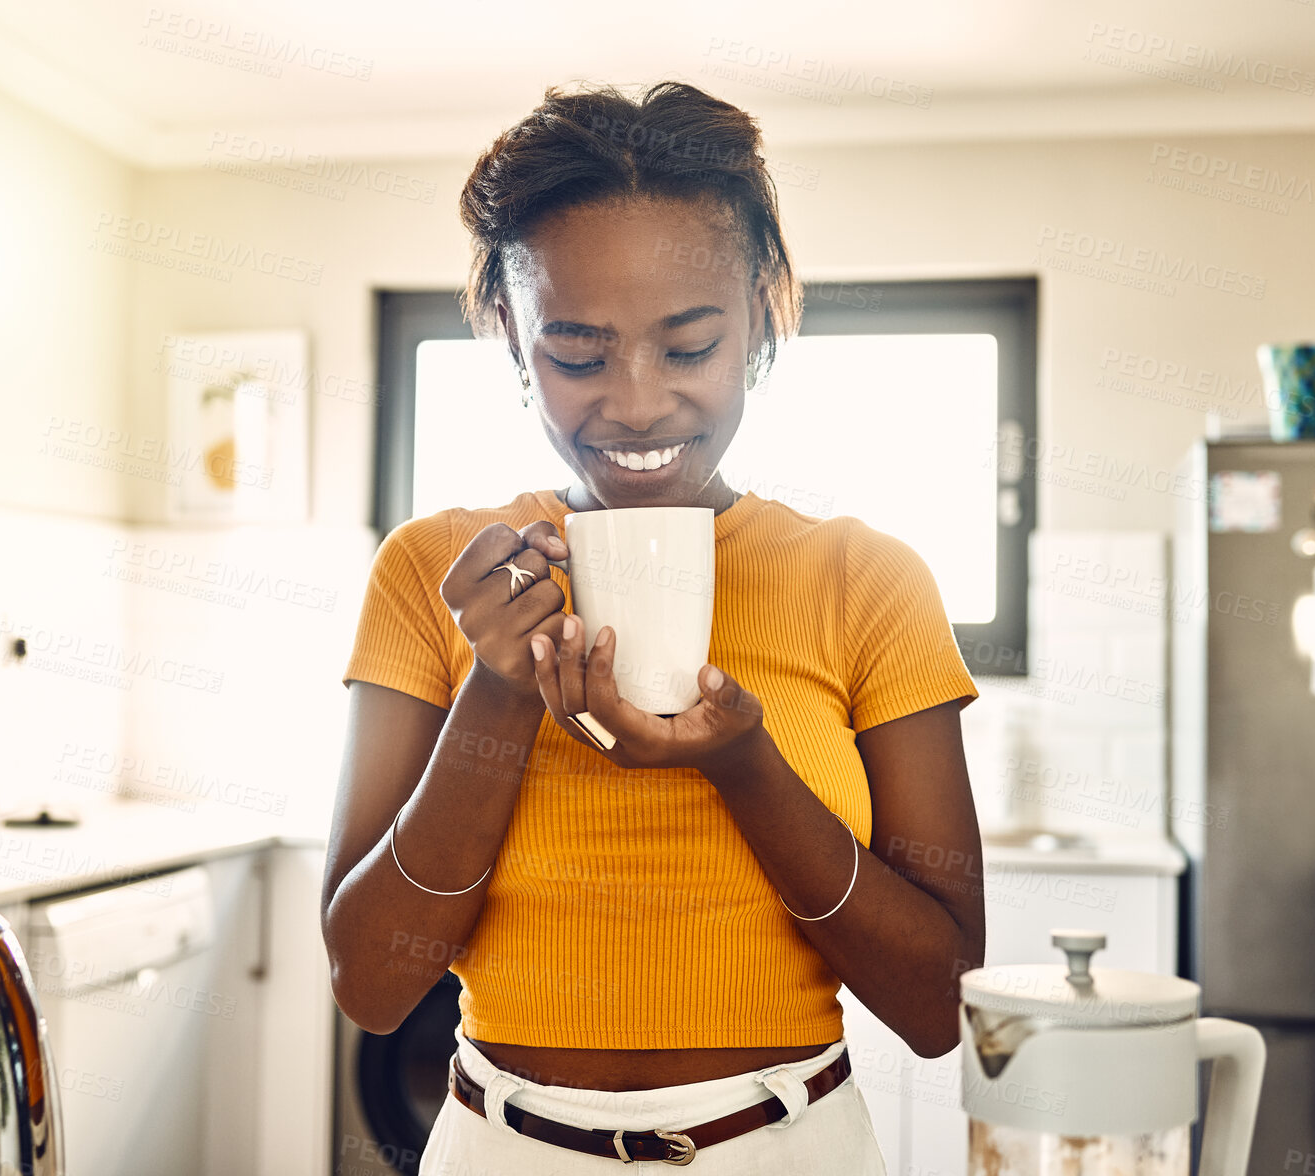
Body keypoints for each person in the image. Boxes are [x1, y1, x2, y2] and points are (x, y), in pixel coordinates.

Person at [323, 79, 983, 1174]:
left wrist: (744, 766)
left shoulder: (867, 581)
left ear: (766, 308)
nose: (633, 404)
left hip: (784, 1147)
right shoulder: (432, 572)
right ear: (507, 329)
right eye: (576, 355)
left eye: (687, 348)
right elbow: (372, 984)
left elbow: (932, 1002)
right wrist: (496, 687)